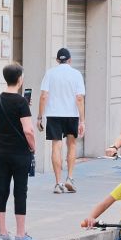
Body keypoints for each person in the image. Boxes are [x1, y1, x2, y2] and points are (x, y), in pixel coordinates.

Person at [0, 62, 37, 240]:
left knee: (2, 189)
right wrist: (32, 147)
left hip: (1, 151)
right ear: (19, 79)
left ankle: (2, 233)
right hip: (20, 153)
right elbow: (28, 131)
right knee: (20, 191)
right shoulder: (21, 102)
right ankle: (20, 235)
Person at [38, 47, 86, 194]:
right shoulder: (76, 74)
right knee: (71, 144)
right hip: (71, 114)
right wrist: (82, 120)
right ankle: (70, 178)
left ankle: (58, 183)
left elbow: (44, 96)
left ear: (58, 60)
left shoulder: (50, 73)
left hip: (53, 114)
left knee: (56, 146)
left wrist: (40, 116)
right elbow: (79, 98)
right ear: (70, 60)